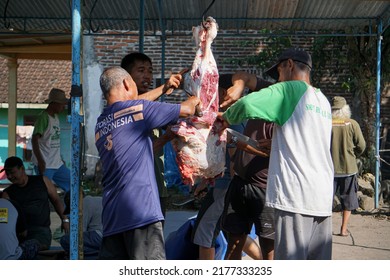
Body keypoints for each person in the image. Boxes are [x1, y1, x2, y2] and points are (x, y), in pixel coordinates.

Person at [220, 47, 334, 260]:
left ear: (289, 65)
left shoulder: (289, 89)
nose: (278, 80)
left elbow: (246, 103)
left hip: (296, 196)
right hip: (323, 198)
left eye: (279, 73)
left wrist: (224, 119)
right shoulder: (322, 101)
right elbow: (310, 142)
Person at [95, 66, 199, 259]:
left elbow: (138, 149)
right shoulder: (139, 111)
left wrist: (163, 88)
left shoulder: (101, 123)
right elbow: (188, 109)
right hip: (140, 214)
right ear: (127, 84)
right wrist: (195, 92)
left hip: (112, 218)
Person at [189, 73, 273, 260]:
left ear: (224, 92)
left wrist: (229, 184)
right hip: (229, 183)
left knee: (204, 233)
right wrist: (206, 179)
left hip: (228, 185)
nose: (209, 95)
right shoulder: (237, 114)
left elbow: (236, 152)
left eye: (213, 91)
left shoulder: (233, 116)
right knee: (233, 235)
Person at [120, 52, 183, 218]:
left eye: (149, 70)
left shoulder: (150, 105)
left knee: (155, 240)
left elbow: (174, 120)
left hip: (156, 185)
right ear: (126, 78)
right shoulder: (121, 107)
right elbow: (134, 105)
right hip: (138, 190)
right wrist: (164, 87)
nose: (147, 75)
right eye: (141, 70)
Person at [1, 156, 70, 250]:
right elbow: (4, 221)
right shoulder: (7, 193)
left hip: (41, 232)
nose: (9, 176)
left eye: (12, 173)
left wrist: (65, 220)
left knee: (33, 248)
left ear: (22, 169)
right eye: (7, 174)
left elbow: (56, 200)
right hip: (19, 234)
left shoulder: (43, 181)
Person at [331, 96, 366, 236]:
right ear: (346, 109)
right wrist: (353, 155)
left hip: (329, 169)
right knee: (348, 200)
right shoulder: (352, 124)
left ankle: (324, 229)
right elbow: (362, 146)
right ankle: (343, 229)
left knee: (325, 201)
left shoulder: (326, 124)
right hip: (348, 169)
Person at [31, 88, 70, 193]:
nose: (63, 107)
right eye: (61, 104)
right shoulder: (43, 117)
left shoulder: (56, 117)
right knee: (43, 193)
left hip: (57, 164)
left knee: (72, 185)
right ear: (54, 104)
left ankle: (68, 209)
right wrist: (40, 161)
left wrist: (60, 159)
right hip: (45, 164)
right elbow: (34, 140)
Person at [60, 191, 103, 259]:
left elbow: (80, 231)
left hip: (99, 236)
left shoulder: (84, 203)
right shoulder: (96, 199)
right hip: (110, 236)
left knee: (65, 239)